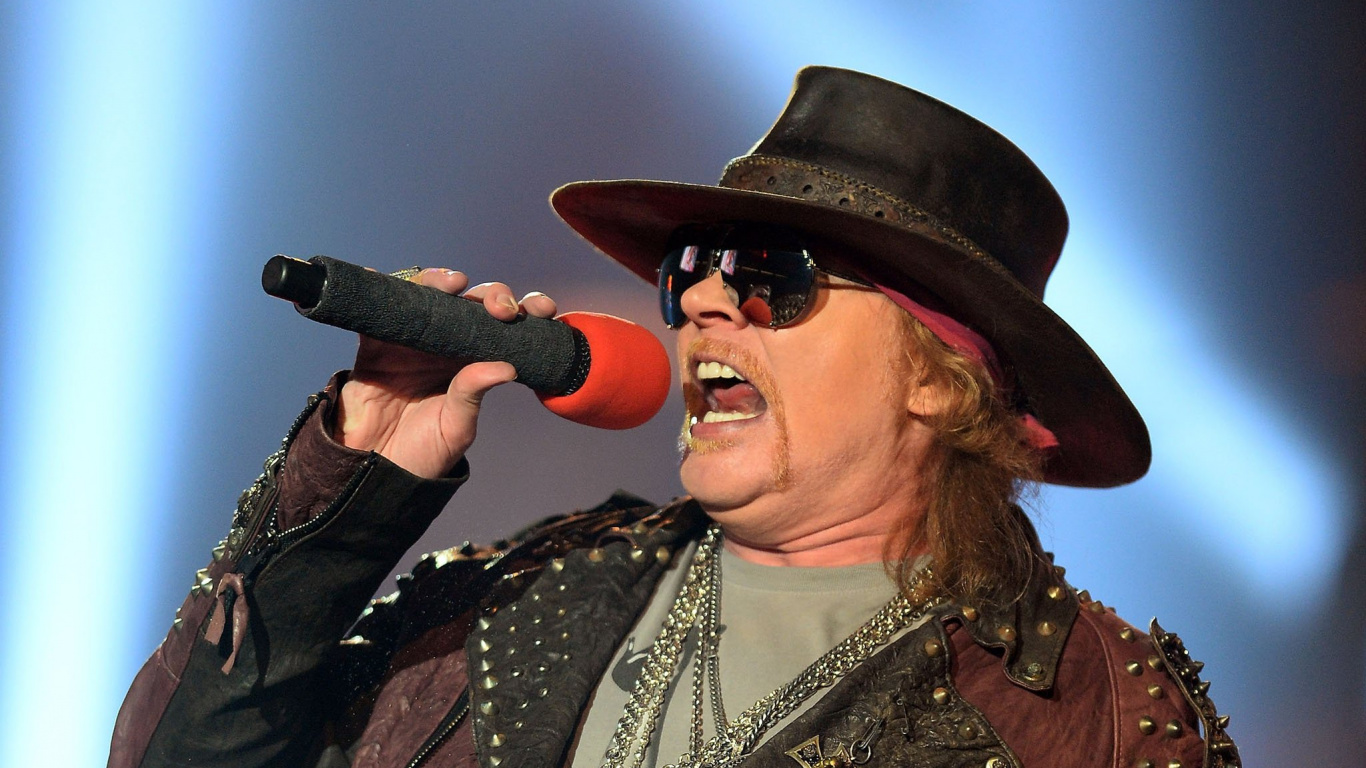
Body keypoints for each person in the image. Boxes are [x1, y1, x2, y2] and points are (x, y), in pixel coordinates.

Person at [109, 66, 1239, 768]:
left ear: (940, 378)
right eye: (691, 269)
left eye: (773, 278)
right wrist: (352, 499)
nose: (701, 302)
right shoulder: (515, 598)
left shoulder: (1098, 713)